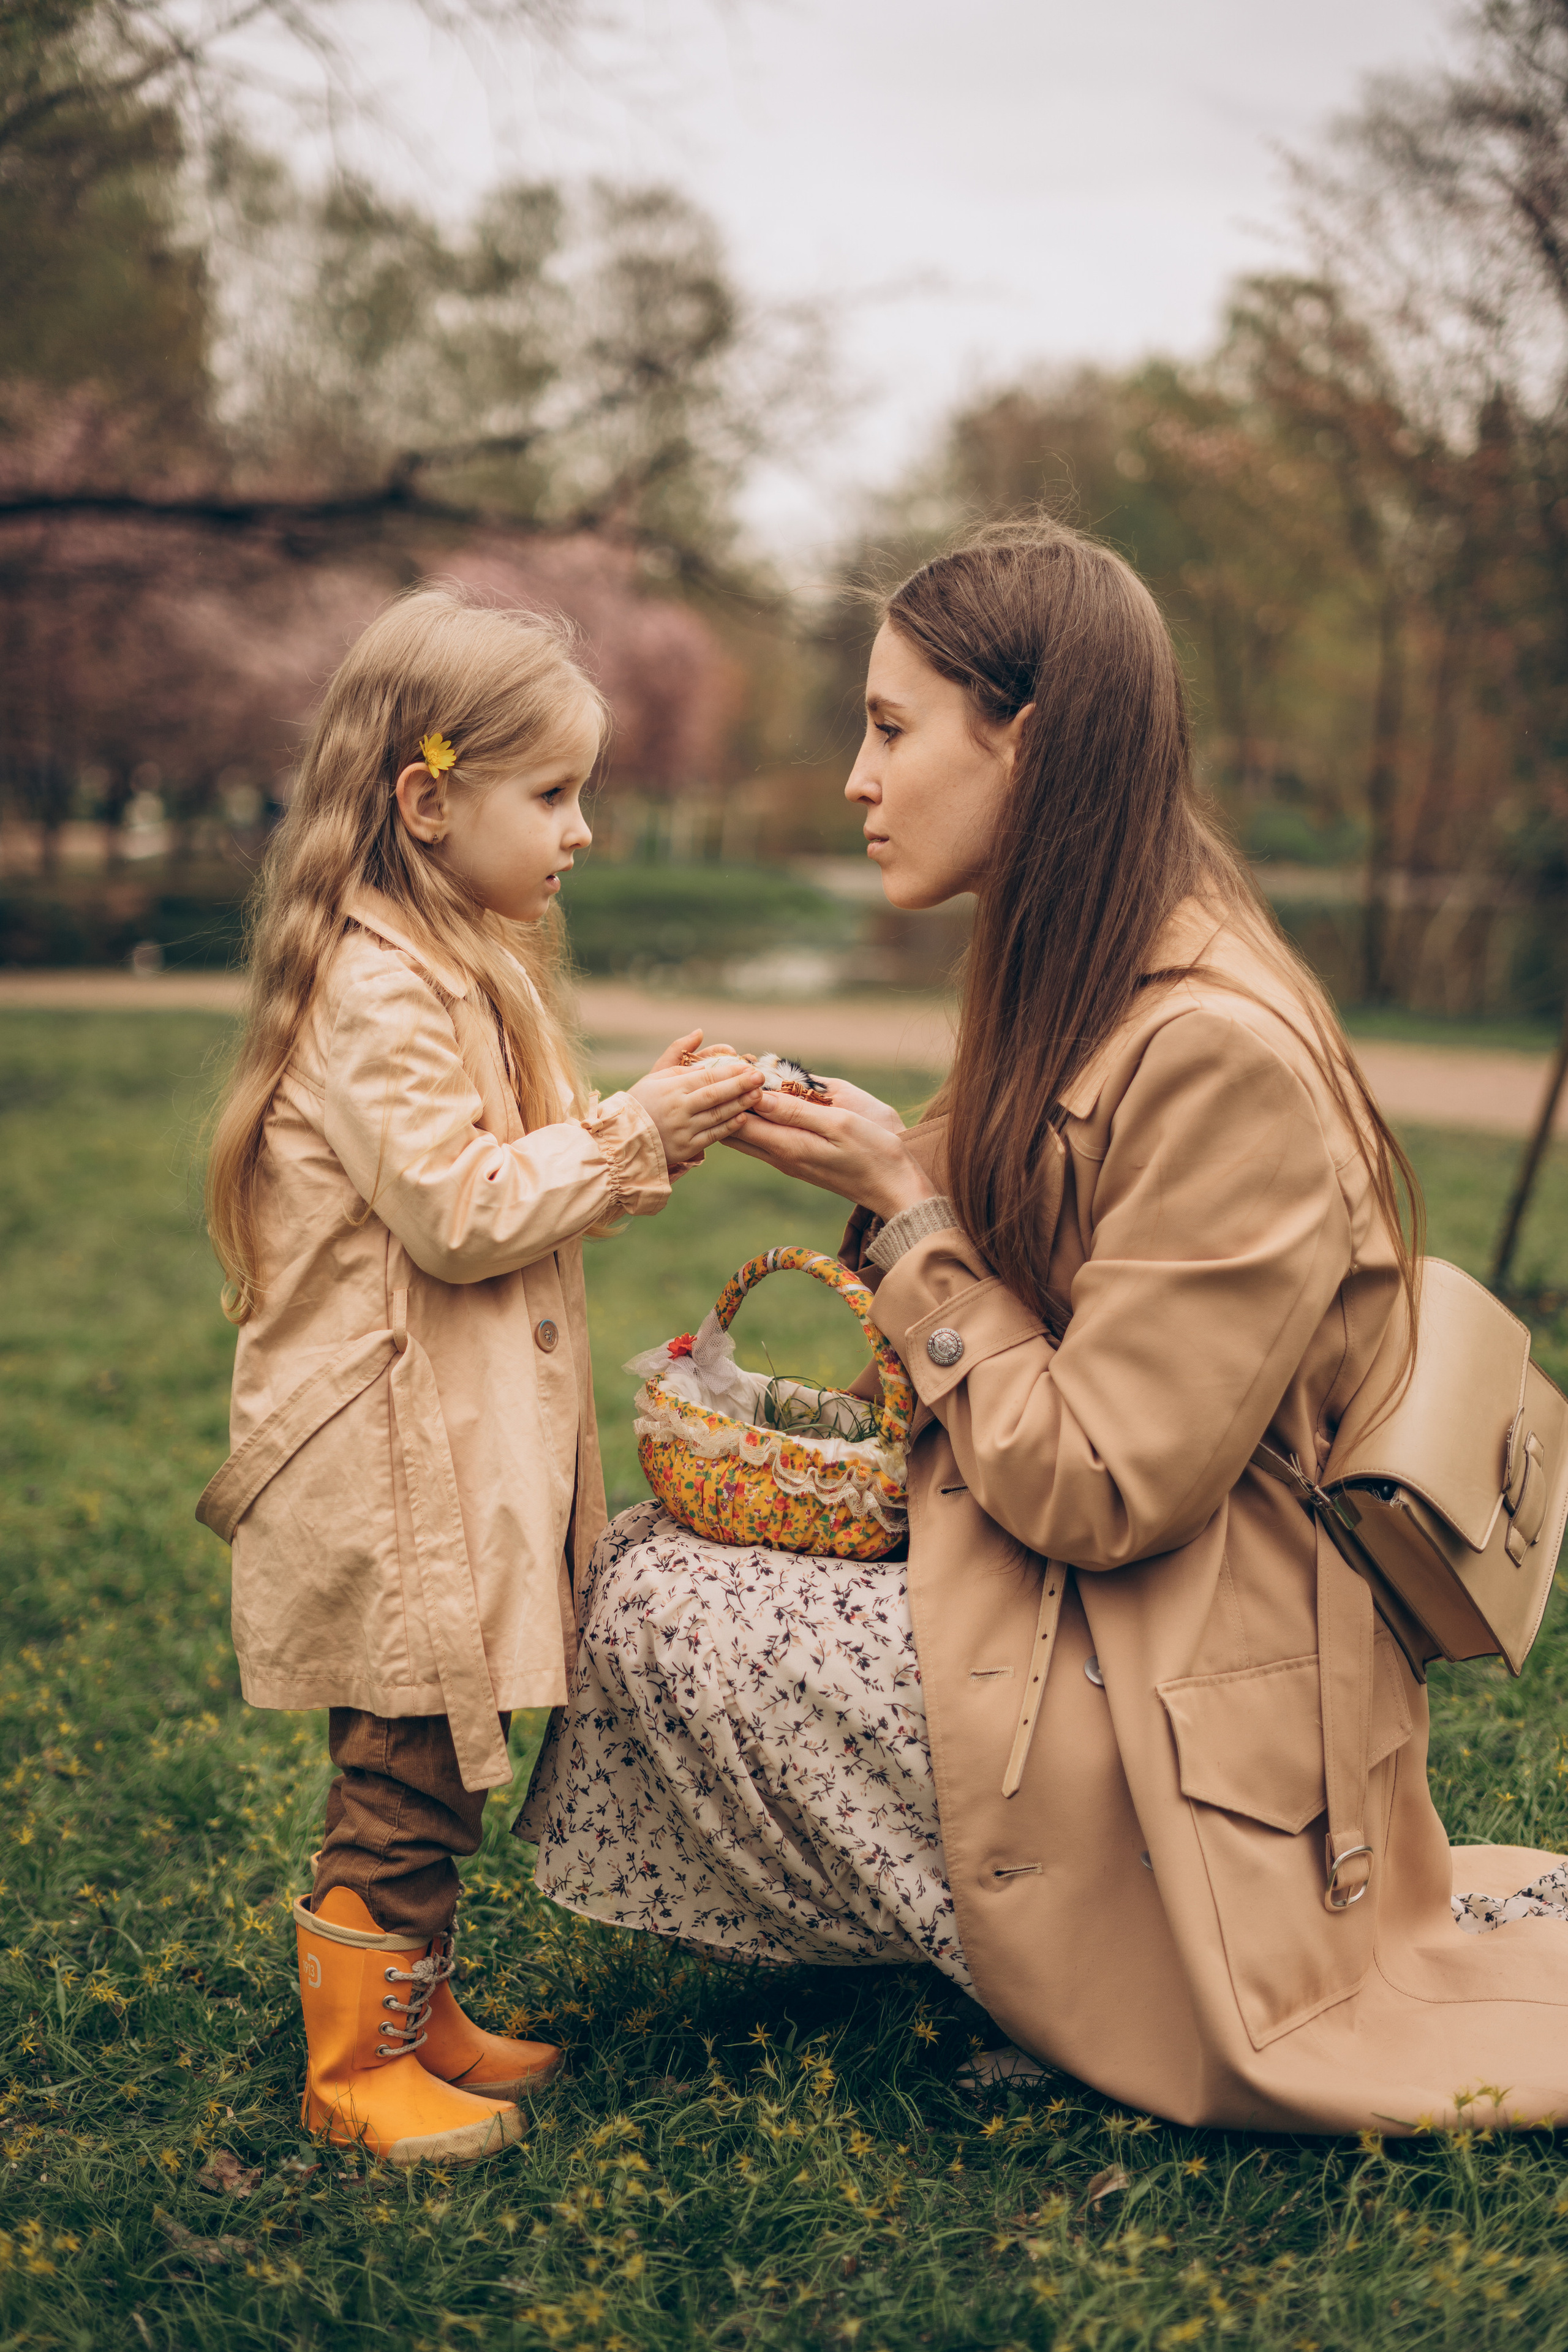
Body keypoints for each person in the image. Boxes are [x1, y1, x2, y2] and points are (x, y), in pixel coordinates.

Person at [521, 519, 1568, 2134]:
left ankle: (1048, 1938)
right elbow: (1048, 1233)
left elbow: (1103, 1486)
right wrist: (886, 1156)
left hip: (1199, 1666)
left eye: (888, 727)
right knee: (652, 1557)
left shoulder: (1218, 1044)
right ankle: (976, 1920)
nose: (859, 779)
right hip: (1133, 1612)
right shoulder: (1086, 962)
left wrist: (913, 1216)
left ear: (1029, 738)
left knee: (658, 1619)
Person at [197, 587, 761, 2167]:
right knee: (400, 1762)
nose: (582, 830)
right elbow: (459, 1210)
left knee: (430, 1757)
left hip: (430, 1440)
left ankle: (417, 2013)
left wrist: (656, 1105)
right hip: (382, 1460)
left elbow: (527, 1152)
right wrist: (640, 1131)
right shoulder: (377, 985)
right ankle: (353, 2066)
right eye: (556, 794)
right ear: (429, 804)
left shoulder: (461, 954)